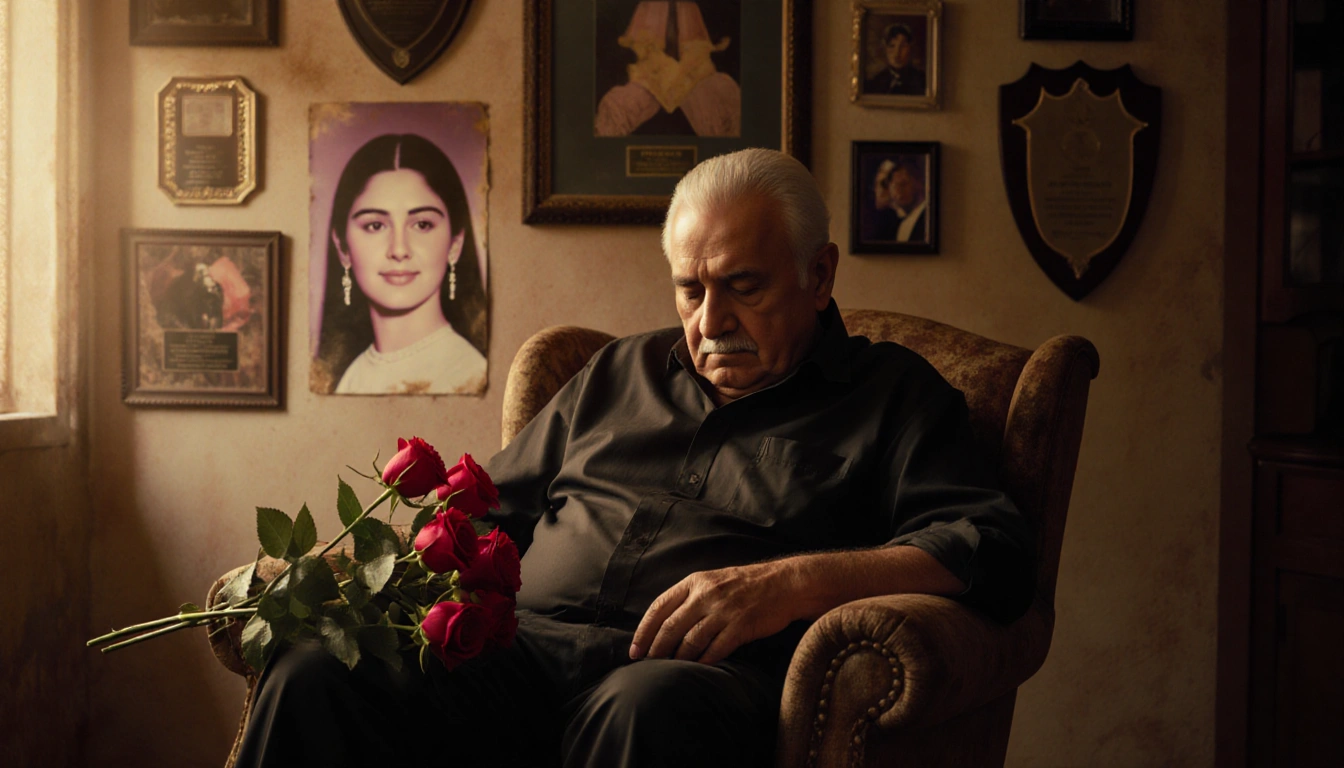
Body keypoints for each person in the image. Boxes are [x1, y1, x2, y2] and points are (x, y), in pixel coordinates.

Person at [239, 149, 1033, 767]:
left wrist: (792, 583)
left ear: (818, 274)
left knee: (643, 709)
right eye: (691, 289)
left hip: (693, 684)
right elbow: (485, 516)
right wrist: (363, 578)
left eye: (744, 287)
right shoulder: (620, 370)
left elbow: (991, 547)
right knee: (316, 671)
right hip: (520, 660)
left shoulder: (892, 395)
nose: (710, 320)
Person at [314, 133, 488, 395]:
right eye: (375, 226)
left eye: (422, 225)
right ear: (342, 248)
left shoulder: (470, 375)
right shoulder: (349, 377)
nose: (398, 250)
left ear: (455, 244)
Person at [595, 1, 741, 137]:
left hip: (694, 72)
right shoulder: (648, 6)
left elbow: (698, 49)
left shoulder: (690, 7)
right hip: (652, 75)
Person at [870, 157, 928, 242]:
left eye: (903, 184)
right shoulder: (896, 224)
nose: (898, 191)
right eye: (894, 185)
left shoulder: (926, 216)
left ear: (918, 182)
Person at [864, 22, 927, 96]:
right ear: (885, 48)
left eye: (903, 46)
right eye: (892, 46)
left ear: (910, 48)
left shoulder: (922, 80)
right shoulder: (875, 83)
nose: (897, 53)